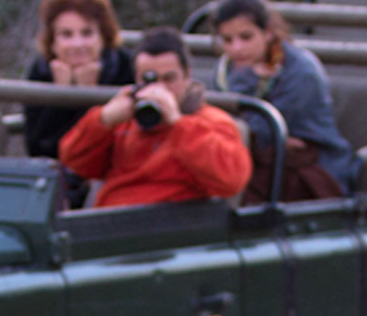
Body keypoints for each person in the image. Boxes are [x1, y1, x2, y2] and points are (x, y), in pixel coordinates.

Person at [56, 27, 252, 209]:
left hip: (172, 227)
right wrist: (103, 119)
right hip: (113, 222)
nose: (159, 88)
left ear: (187, 76)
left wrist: (178, 123)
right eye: (149, 79)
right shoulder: (125, 121)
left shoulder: (211, 122)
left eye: (169, 79)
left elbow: (232, 180)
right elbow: (73, 160)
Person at [212, 0, 354, 201]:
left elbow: (258, 132)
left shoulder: (300, 71)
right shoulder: (228, 70)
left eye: (246, 37)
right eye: (228, 40)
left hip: (312, 169)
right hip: (260, 162)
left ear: (267, 33)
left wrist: (244, 82)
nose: (236, 48)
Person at [22, 0, 136, 159]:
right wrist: (60, 97)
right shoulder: (40, 72)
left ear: (103, 37)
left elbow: (122, 149)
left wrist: (90, 97)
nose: (77, 44)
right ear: (52, 42)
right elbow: (39, 150)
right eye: (66, 34)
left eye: (87, 33)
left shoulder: (127, 67)